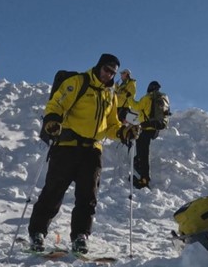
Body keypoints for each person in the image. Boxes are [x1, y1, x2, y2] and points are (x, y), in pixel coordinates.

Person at [28, 54, 138, 254]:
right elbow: (56, 104)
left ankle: (80, 236)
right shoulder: (77, 82)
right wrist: (52, 120)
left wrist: (123, 132)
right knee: (53, 191)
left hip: (92, 150)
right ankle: (37, 233)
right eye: (106, 70)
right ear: (99, 67)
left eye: (113, 73)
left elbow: (111, 125)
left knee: (88, 196)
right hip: (67, 146)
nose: (109, 75)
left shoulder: (110, 95)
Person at [130, 80, 166, 189]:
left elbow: (136, 107)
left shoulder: (147, 98)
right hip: (155, 129)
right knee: (142, 152)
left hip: (146, 128)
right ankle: (139, 167)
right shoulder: (161, 99)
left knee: (143, 153)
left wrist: (129, 98)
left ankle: (144, 179)